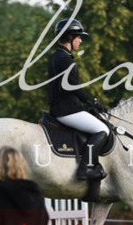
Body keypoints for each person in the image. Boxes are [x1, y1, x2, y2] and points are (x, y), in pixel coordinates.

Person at [47, 19, 111, 181]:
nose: (81, 40)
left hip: (66, 107)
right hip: (66, 110)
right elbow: (73, 87)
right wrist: (93, 102)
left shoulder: (59, 56)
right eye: (78, 37)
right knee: (102, 130)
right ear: (69, 37)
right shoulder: (64, 59)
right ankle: (85, 168)